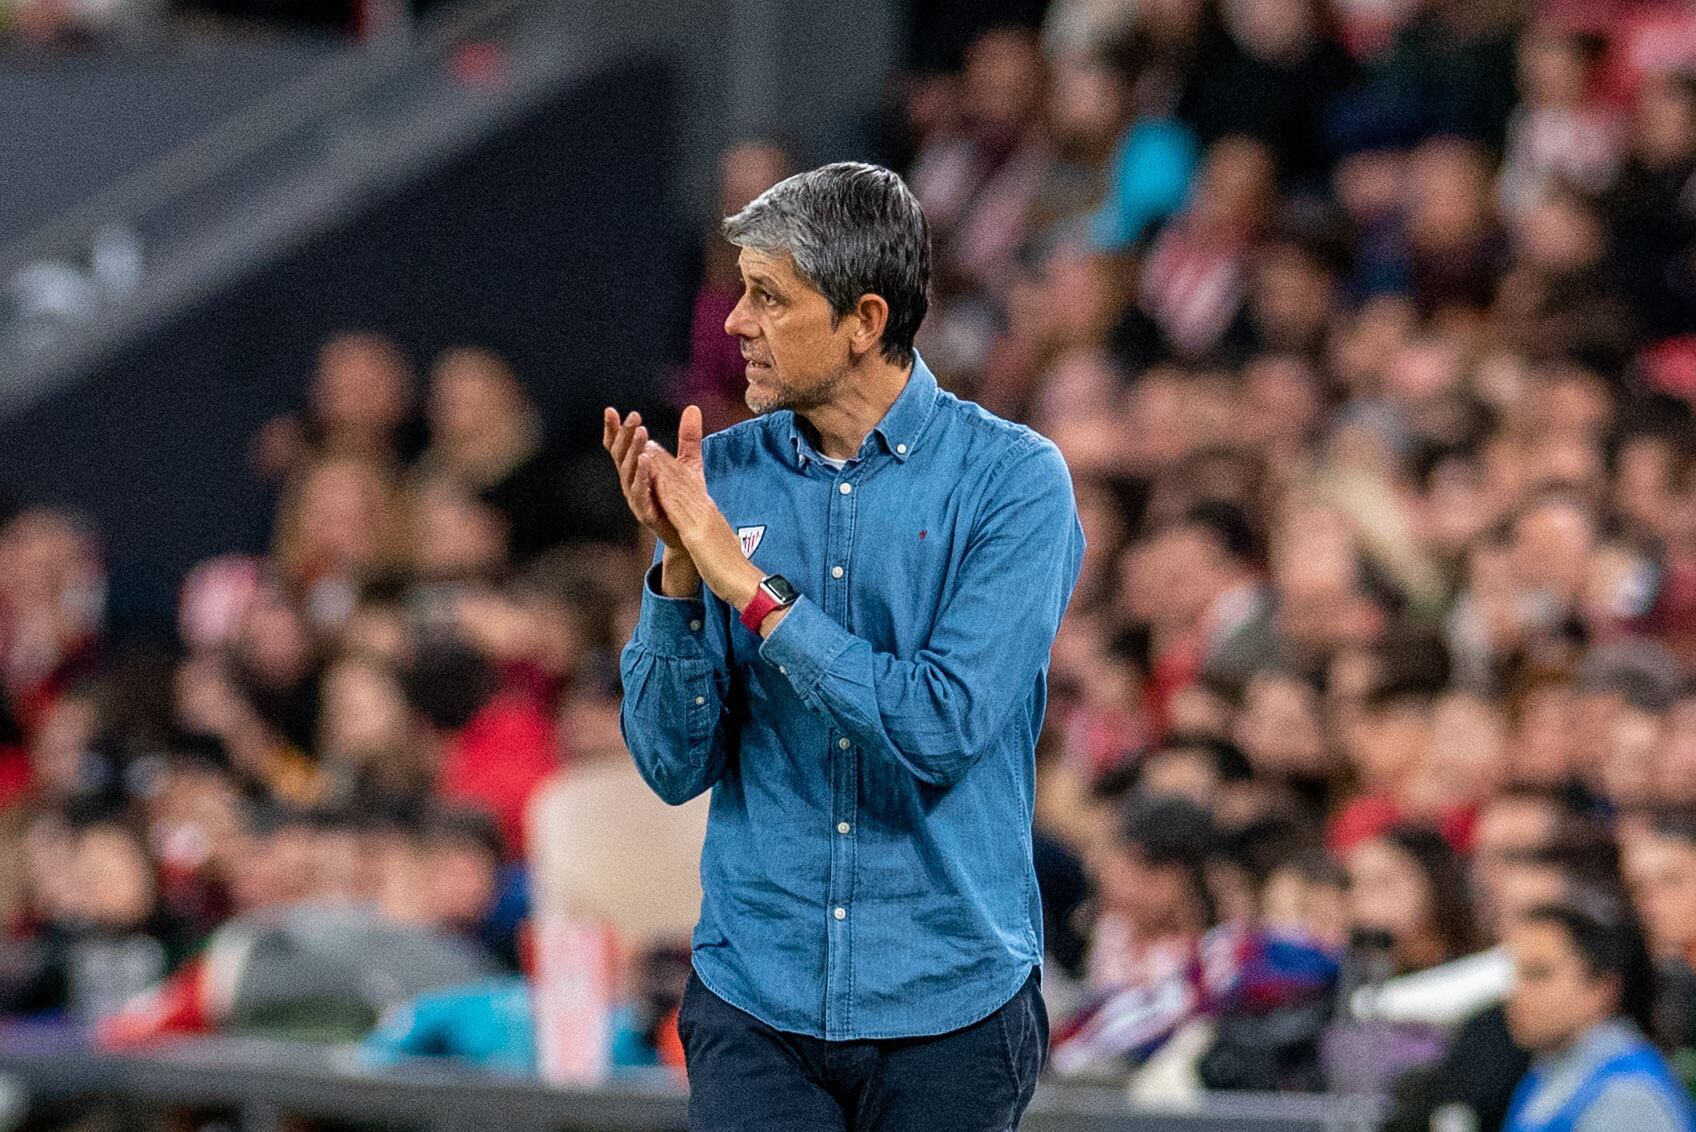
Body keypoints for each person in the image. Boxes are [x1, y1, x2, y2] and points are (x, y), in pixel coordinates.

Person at [606, 161, 1084, 1130]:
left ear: (865, 320)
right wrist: (677, 573)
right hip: (756, 998)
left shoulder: (1013, 482)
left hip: (948, 1005)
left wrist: (744, 585)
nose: (733, 321)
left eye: (767, 297)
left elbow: (937, 726)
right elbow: (669, 761)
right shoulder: (715, 481)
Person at [1503, 899, 1696, 1132]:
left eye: (1539, 974)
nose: (1518, 994)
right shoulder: (1549, 1070)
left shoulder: (1626, 1096)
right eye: (1516, 976)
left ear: (1603, 987)